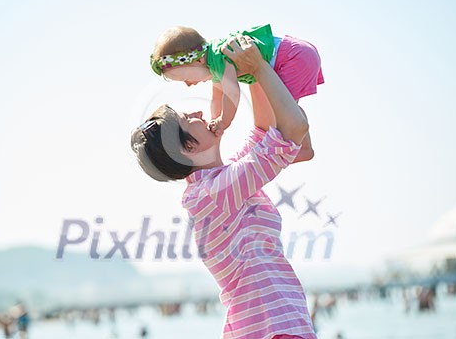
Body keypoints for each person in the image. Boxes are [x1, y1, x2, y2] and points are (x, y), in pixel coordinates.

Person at [132, 37, 316, 338]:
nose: (198, 113)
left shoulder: (218, 182)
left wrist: (255, 62)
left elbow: (266, 132)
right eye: (186, 119)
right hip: (273, 328)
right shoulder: (213, 193)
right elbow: (293, 131)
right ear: (186, 150)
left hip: (273, 325)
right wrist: (258, 66)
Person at [150, 24, 323, 163]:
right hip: (298, 53)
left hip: (293, 58)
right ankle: (303, 146)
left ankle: (302, 148)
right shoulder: (214, 59)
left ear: (199, 59)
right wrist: (214, 121)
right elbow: (217, 98)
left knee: (281, 113)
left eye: (184, 78)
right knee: (285, 109)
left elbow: (232, 93)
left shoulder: (220, 58)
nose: (188, 85)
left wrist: (224, 121)